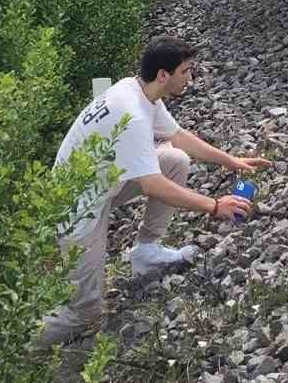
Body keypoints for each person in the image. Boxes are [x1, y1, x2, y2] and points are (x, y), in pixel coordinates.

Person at [32, 35, 270, 349]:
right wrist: (215, 206)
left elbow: (178, 137)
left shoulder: (141, 92)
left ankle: (146, 252)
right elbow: (152, 185)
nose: (190, 78)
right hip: (77, 206)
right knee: (85, 310)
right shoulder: (131, 114)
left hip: (101, 184)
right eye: (185, 71)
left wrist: (231, 161)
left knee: (174, 158)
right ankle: (10, 348)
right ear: (163, 75)